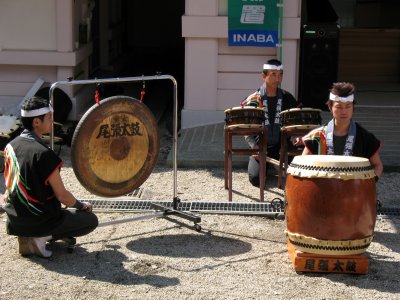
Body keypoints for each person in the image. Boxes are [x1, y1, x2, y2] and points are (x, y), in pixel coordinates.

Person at [2, 96, 98, 258]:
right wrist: (82, 205)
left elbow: (9, 187)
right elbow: (63, 196)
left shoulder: (10, 146)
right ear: (36, 122)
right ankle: (39, 236)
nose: (52, 120)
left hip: (14, 220)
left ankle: (26, 234)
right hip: (40, 221)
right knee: (90, 220)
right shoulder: (44, 154)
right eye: (49, 117)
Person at [302, 82, 383, 178]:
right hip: (323, 189)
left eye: (348, 106)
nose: (344, 111)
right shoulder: (316, 136)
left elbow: (377, 165)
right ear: (330, 107)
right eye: (339, 107)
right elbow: (302, 165)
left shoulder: (364, 137)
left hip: (355, 190)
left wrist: (366, 184)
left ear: (353, 107)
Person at [241, 59, 299, 187]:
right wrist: (253, 145)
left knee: (295, 174)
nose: (277, 78)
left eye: (280, 75)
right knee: (256, 179)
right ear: (264, 76)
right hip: (261, 146)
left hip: (283, 145)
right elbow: (245, 126)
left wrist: (295, 136)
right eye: (273, 74)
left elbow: (296, 120)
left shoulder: (287, 97)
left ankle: (276, 164)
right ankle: (269, 166)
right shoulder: (253, 99)